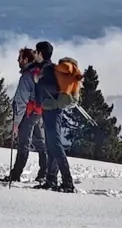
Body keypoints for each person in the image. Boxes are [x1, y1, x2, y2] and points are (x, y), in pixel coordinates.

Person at [32, 39, 74, 192]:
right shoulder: (48, 68)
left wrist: (39, 82)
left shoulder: (48, 69)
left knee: (55, 145)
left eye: (36, 52)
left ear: (41, 53)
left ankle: (67, 182)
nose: (34, 54)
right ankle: (52, 180)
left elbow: (52, 88)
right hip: (51, 110)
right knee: (51, 145)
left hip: (52, 111)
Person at [4, 46, 47, 185]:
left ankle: (16, 174)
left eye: (20, 58)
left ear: (26, 59)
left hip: (29, 113)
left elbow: (21, 101)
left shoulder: (27, 76)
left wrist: (16, 122)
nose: (18, 60)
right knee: (41, 143)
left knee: (24, 143)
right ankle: (44, 173)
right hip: (40, 112)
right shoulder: (39, 72)